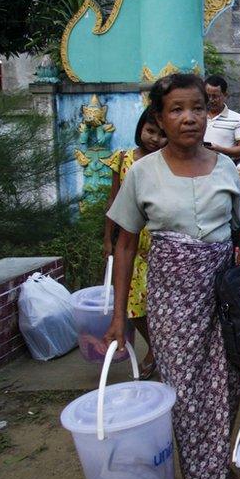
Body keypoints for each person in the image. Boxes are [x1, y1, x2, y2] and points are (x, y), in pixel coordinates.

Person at [104, 73, 240, 479]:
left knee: (225, 388)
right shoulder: (141, 172)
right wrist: (118, 316)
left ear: (210, 113)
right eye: (177, 110)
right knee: (186, 395)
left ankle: (216, 462)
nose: (189, 118)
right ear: (160, 118)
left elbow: (235, 234)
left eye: (198, 108)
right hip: (171, 302)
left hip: (224, 298)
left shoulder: (226, 168)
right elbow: (124, 246)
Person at [102, 107, 167, 380]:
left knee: (158, 303)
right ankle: (154, 347)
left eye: (161, 135)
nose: (154, 139)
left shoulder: (168, 162)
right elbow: (113, 199)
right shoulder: (124, 159)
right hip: (131, 242)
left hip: (160, 243)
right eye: (150, 131)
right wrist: (108, 238)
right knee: (133, 303)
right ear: (140, 128)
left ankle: (159, 351)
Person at [204, 75, 240, 161]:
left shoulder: (237, 119)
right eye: (208, 96)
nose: (211, 100)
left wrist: (219, 149)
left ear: (225, 95)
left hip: (224, 169)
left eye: (215, 96)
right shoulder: (198, 117)